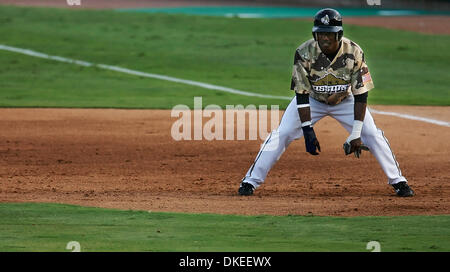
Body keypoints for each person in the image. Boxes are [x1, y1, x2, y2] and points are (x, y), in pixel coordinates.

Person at [238, 8, 414, 197]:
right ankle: (250, 181)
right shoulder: (304, 52)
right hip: (312, 100)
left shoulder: (354, 52)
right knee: (283, 133)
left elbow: (361, 95)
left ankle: (398, 181)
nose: (324, 38)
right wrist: (307, 130)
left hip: (345, 100)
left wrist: (355, 134)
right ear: (315, 34)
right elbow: (302, 93)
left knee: (371, 133)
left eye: (329, 34)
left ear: (339, 34)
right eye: (321, 33)